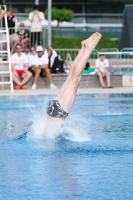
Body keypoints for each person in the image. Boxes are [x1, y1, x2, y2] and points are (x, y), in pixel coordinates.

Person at [46, 32, 102, 121]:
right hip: (53, 106)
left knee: (74, 80)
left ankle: (88, 49)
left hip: (57, 111)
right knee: (71, 78)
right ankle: (84, 48)